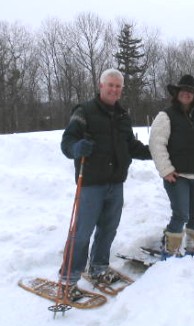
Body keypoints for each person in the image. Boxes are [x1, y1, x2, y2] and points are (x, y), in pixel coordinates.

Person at [59, 68, 151, 300]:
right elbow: (67, 142)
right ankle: (68, 279)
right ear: (101, 86)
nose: (114, 89)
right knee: (81, 233)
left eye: (118, 86)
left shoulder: (122, 116)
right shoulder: (85, 111)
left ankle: (99, 268)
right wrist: (76, 148)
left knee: (108, 230)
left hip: (115, 183)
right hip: (90, 183)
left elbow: (130, 146)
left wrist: (156, 153)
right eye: (110, 85)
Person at [149, 74, 194, 261]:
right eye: (183, 91)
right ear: (177, 93)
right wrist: (166, 170)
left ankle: (193, 249)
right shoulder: (165, 116)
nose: (187, 94)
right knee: (181, 213)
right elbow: (156, 143)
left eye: (190, 91)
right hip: (177, 176)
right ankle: (170, 249)